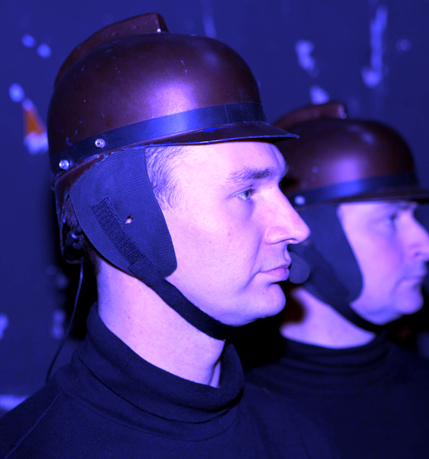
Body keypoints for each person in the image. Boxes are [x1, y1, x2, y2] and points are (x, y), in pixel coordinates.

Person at [0, 14, 338, 458]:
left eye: (280, 188)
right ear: (125, 216)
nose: (297, 228)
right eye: (246, 192)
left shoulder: (297, 437)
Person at [242, 102, 429, 458]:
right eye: (390, 219)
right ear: (310, 238)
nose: (428, 246)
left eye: (413, 217)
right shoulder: (230, 419)